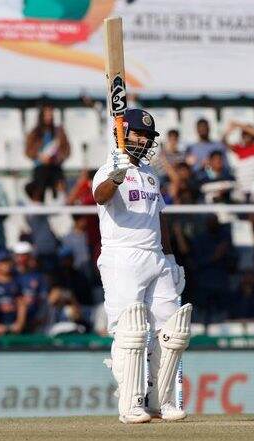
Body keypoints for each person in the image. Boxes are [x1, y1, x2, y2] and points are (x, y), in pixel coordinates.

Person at [92, 108, 190, 423]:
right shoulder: (108, 169)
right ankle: (131, 404)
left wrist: (171, 259)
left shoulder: (150, 174)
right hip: (122, 257)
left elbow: (159, 219)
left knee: (172, 329)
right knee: (132, 332)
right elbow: (100, 195)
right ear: (123, 134)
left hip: (155, 256)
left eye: (149, 136)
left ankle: (162, 401)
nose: (146, 140)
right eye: (140, 134)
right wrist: (115, 177)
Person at [25, 104, 70, 199]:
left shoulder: (59, 132)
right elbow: (28, 151)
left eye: (51, 115)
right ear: (42, 116)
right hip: (40, 166)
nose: (49, 117)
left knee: (59, 178)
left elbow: (66, 150)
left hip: (55, 165)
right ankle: (38, 201)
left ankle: (61, 200)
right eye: (47, 115)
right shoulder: (34, 133)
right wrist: (40, 157)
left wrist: (57, 158)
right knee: (40, 178)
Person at [222, 121, 254, 200]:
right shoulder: (239, 149)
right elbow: (224, 141)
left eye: (248, 134)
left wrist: (239, 125)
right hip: (242, 187)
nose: (246, 136)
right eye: (244, 134)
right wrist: (229, 130)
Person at [12, 242, 48, 332]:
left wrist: (39, 317)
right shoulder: (10, 275)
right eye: (18, 255)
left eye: (24, 255)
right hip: (12, 321)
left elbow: (43, 299)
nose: (21, 259)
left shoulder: (38, 277)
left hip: (34, 320)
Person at [23, 182, 59, 271]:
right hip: (43, 248)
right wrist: (60, 192)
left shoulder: (29, 208)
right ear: (35, 192)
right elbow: (59, 209)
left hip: (44, 247)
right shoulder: (38, 208)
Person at [0, 251, 26, 336]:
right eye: (3, 262)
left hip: (13, 326)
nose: (6, 265)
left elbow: (21, 304)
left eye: (8, 262)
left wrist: (19, 324)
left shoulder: (16, 281)